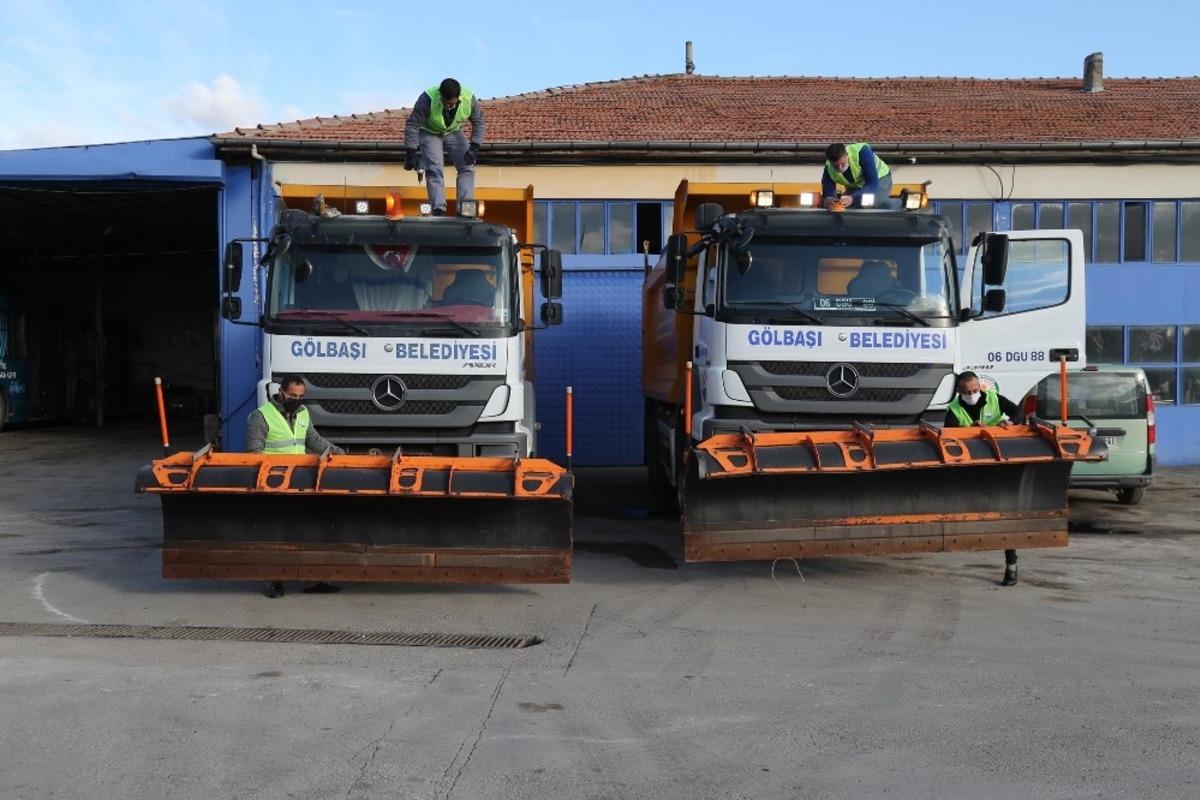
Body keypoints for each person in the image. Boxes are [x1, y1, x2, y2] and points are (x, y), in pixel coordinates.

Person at [246, 375, 345, 598]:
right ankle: (275, 580)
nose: (297, 400)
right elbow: (253, 455)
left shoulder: (302, 413)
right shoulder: (261, 417)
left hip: (300, 482)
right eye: (292, 396)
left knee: (308, 530)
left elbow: (314, 441)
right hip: (273, 485)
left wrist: (340, 454)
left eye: (301, 397)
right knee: (277, 535)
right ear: (281, 392)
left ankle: (314, 579)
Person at [943, 371, 1026, 587]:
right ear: (959, 392)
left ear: (980, 386)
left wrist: (1010, 422)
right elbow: (949, 436)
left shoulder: (994, 398)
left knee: (1007, 513)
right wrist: (967, 431)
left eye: (975, 390)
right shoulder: (954, 410)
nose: (972, 394)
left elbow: (1019, 412)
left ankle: (1011, 566)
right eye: (967, 392)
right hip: (973, 468)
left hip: (1001, 462)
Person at [404, 78, 485, 216]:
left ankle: (465, 208)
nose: (448, 106)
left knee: (467, 166)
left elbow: (479, 123)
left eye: (451, 103)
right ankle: (438, 208)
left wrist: (474, 147)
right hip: (429, 132)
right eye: (445, 103)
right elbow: (412, 125)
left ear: (458, 97)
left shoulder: (469, 99)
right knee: (434, 167)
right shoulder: (427, 99)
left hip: (453, 132)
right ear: (440, 95)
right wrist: (410, 151)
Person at [821, 142, 893, 210]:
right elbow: (828, 193)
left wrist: (852, 198)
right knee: (843, 206)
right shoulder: (828, 168)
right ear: (830, 162)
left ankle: (899, 202)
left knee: (872, 203)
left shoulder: (862, 152)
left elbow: (872, 184)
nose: (840, 168)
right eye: (836, 166)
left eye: (842, 164)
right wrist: (829, 200)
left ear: (847, 156)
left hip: (881, 178)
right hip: (856, 187)